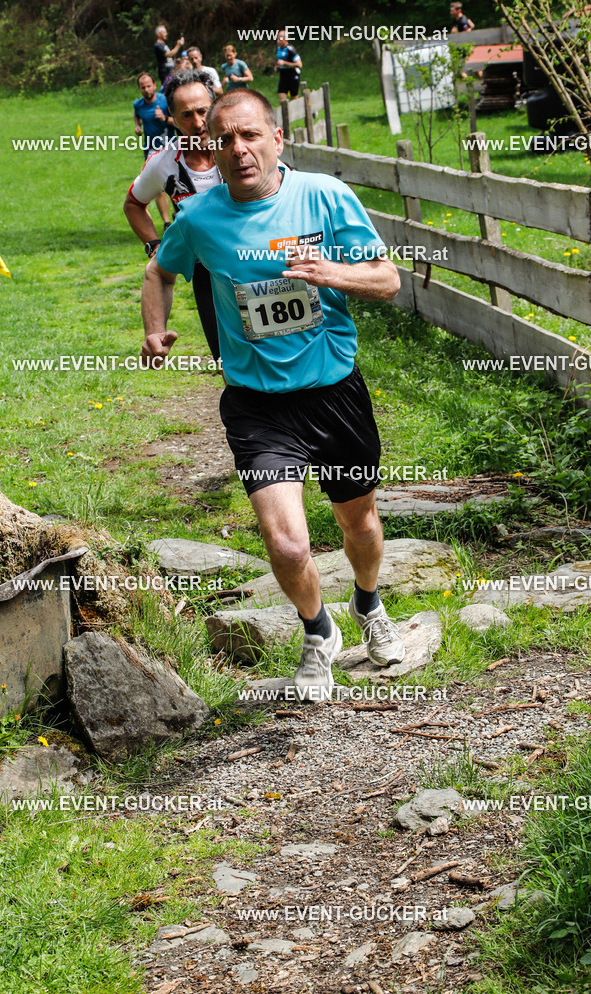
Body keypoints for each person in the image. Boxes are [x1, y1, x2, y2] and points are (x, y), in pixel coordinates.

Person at [140, 89, 407, 698]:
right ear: (211, 148)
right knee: (286, 544)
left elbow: (388, 279)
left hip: (334, 394)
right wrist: (155, 328)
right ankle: (318, 631)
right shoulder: (198, 219)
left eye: (250, 135)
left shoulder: (324, 195)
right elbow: (160, 269)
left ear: (277, 138)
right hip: (257, 404)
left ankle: (368, 603)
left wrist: (330, 273)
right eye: (224, 140)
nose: (238, 149)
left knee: (360, 524)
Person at [124, 69, 222, 361]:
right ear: (173, 119)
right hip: (207, 273)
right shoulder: (163, 162)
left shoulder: (241, 147)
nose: (198, 122)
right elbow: (133, 204)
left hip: (257, 263)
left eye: (203, 111)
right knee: (226, 364)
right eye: (187, 115)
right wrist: (154, 245)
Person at [133, 73, 175, 232]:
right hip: (151, 150)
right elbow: (137, 116)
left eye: (149, 86)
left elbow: (178, 122)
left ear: (155, 85)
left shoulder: (166, 101)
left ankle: (178, 214)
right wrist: (138, 126)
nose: (146, 89)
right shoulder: (138, 104)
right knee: (158, 187)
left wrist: (164, 118)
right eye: (143, 87)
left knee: (175, 184)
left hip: (171, 148)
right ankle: (167, 223)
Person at [275, 29, 302, 102]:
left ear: (286, 39)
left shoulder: (290, 49)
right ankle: (285, 110)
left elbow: (299, 65)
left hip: (293, 76)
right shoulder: (278, 49)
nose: (278, 41)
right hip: (283, 76)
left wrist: (284, 63)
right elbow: (281, 62)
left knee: (294, 101)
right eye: (277, 39)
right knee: (282, 100)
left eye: (280, 39)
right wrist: (278, 67)